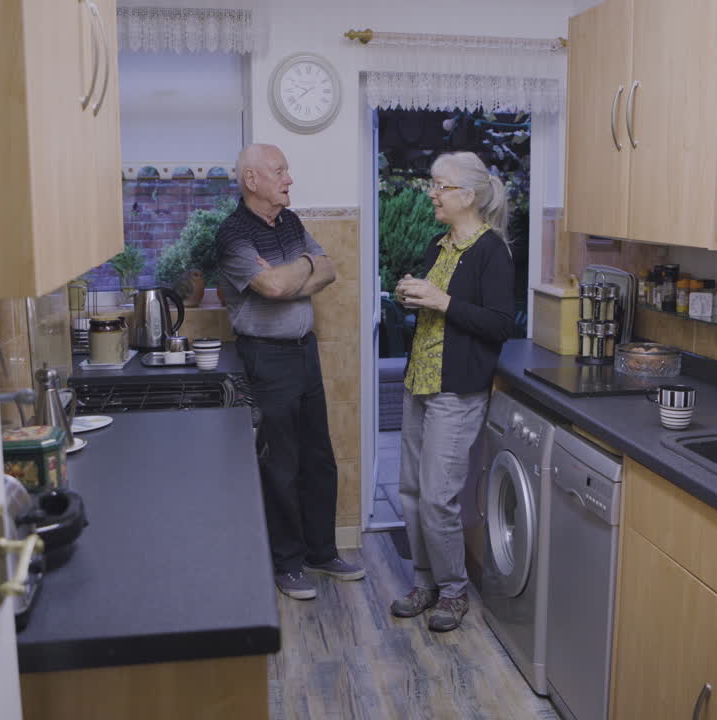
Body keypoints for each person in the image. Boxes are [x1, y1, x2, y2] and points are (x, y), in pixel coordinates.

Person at [216, 143, 365, 600]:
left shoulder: (291, 222)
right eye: (280, 171)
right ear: (252, 180)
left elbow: (329, 269)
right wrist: (301, 270)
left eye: (287, 170)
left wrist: (295, 269)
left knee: (318, 457)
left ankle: (322, 552)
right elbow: (274, 287)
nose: (289, 179)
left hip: (305, 351)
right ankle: (288, 563)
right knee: (280, 463)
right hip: (267, 356)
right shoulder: (232, 235)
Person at [390, 151, 516, 631]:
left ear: (468, 195)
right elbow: (438, 309)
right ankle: (424, 581)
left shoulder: (491, 252)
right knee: (411, 490)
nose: (432, 194)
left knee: (439, 495)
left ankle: (452, 592)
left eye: (440, 186)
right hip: (418, 379)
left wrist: (442, 300)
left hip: (457, 390)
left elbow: (500, 324)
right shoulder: (436, 245)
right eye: (433, 185)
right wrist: (412, 294)